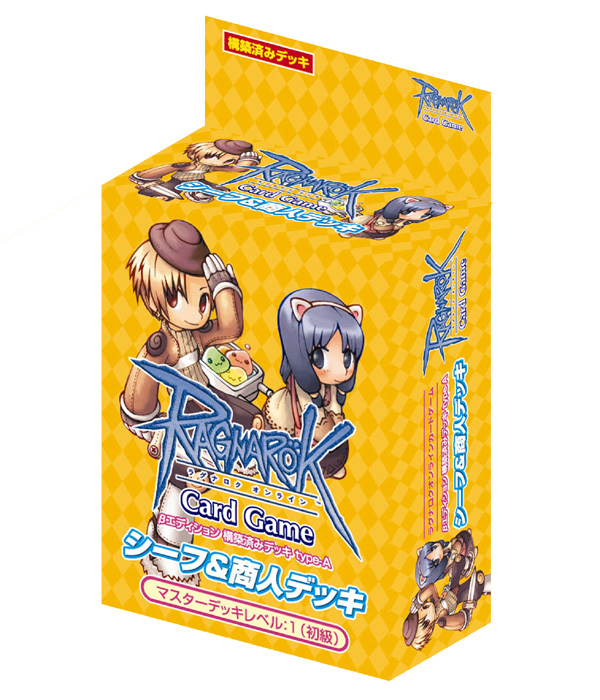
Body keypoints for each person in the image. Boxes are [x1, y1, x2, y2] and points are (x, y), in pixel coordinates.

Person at [120, 219, 262, 583]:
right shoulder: (163, 345)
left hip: (214, 411)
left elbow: (229, 328)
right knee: (183, 490)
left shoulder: (196, 335)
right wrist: (149, 425)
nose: (199, 311)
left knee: (251, 428)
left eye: (203, 300)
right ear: (157, 300)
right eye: (177, 298)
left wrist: (223, 287)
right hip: (184, 424)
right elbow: (139, 395)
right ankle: (166, 553)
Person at [263, 289, 365, 479]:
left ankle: (332, 466)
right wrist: (326, 421)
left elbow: (335, 407)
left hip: (322, 416)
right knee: (320, 434)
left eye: (347, 358)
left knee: (335, 432)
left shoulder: (332, 384)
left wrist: (335, 413)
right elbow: (312, 415)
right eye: (320, 357)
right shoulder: (302, 383)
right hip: (298, 416)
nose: (340, 371)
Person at [129, 139, 261, 202]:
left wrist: (249, 161)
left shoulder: (210, 167)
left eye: (230, 160)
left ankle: (197, 193)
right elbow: (162, 170)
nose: (226, 163)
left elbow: (236, 169)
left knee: (222, 190)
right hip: (176, 182)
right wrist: (146, 177)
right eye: (212, 156)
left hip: (199, 181)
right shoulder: (188, 165)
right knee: (168, 192)